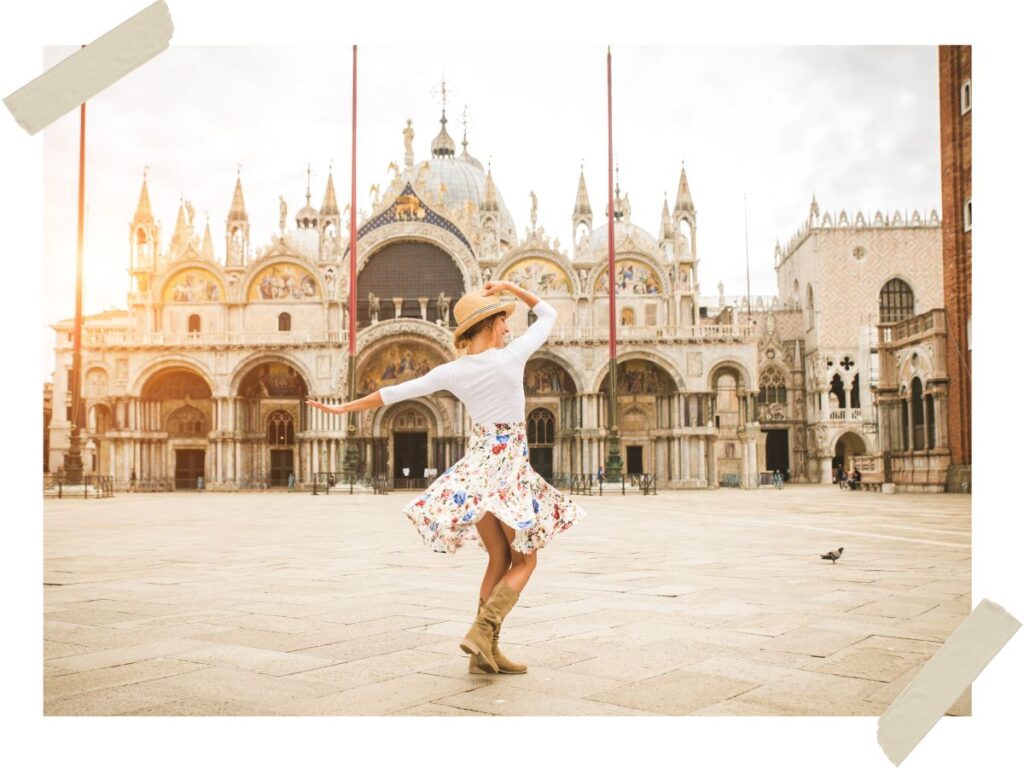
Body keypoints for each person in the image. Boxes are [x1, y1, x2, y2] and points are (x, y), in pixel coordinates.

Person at [307, 280, 586, 676]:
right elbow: (549, 314)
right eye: (503, 322)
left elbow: (391, 393)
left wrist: (341, 409)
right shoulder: (511, 357)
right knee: (526, 560)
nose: (509, 328)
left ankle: (483, 652)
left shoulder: (452, 371)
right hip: (506, 464)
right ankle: (482, 631)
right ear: (489, 325)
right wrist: (511, 287)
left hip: (476, 467)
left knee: (499, 558)